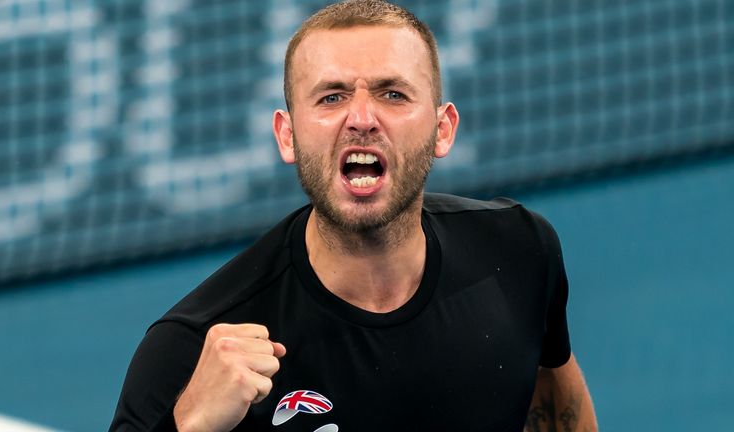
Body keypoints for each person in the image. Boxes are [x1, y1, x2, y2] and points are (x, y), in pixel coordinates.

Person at [110, 1, 597, 431]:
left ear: (442, 129)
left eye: (392, 94)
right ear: (288, 136)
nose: (362, 118)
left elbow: (554, 405)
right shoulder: (187, 353)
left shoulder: (517, 253)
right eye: (332, 97)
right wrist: (188, 427)